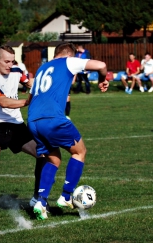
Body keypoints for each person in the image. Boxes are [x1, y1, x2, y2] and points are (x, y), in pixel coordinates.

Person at [27, 42, 109, 220]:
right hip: (53, 118)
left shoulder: (42, 68)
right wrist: (103, 79)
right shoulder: (69, 62)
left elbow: (32, 96)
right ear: (69, 55)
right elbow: (101, 65)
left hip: (33, 120)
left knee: (53, 159)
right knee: (80, 152)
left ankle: (41, 201)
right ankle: (65, 196)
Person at [0, 45, 46, 205]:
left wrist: (42, 88)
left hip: (17, 126)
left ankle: (37, 198)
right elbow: (3, 102)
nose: (10, 65)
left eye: (12, 61)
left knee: (43, 154)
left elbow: (30, 83)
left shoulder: (17, 71)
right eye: (6, 61)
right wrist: (28, 101)